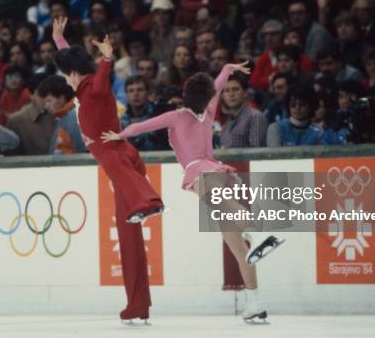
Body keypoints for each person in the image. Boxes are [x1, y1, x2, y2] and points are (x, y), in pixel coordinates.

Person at [101, 61, 282, 321]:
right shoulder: (209, 110)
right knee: (237, 248)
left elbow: (143, 126)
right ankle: (256, 303)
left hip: (200, 171)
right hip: (218, 170)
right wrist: (227, 68)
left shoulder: (177, 116)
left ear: (186, 96)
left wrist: (119, 135)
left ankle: (258, 229)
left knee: (227, 212)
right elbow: (218, 87)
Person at [52, 16, 165, 322]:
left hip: (118, 159)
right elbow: (76, 66)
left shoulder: (93, 88)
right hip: (117, 162)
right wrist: (59, 40)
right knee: (129, 240)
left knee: (134, 208)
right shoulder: (83, 85)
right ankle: (137, 305)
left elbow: (99, 78)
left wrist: (107, 57)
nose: (64, 81)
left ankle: (150, 202)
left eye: (65, 75)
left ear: (74, 74)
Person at [38, 75, 86, 154]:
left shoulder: (74, 118)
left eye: (49, 101)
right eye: (45, 102)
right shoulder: (63, 118)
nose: (46, 106)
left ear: (61, 98)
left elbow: (82, 152)